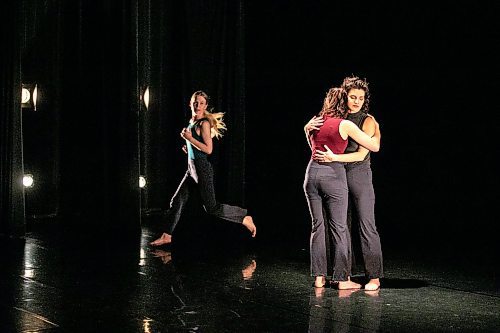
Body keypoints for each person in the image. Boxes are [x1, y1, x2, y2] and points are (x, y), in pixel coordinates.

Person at [305, 76, 383, 291]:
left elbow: (362, 153)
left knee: (366, 224)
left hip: (358, 174)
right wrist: (307, 129)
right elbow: (316, 145)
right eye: (353, 97)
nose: (357, 101)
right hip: (336, 174)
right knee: (341, 226)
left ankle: (374, 277)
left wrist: (335, 158)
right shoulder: (336, 118)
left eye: (361, 98)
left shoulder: (366, 120)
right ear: (344, 96)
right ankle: (342, 275)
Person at [150, 90, 256, 246]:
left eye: (201, 103)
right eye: (195, 102)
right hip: (191, 169)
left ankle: (244, 217)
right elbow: (196, 146)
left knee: (211, 207)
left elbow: (208, 149)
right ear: (190, 103)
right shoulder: (192, 122)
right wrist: (189, 148)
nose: (197, 105)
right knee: (177, 201)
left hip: (201, 169)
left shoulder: (204, 123)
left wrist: (190, 139)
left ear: (205, 105)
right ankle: (167, 235)